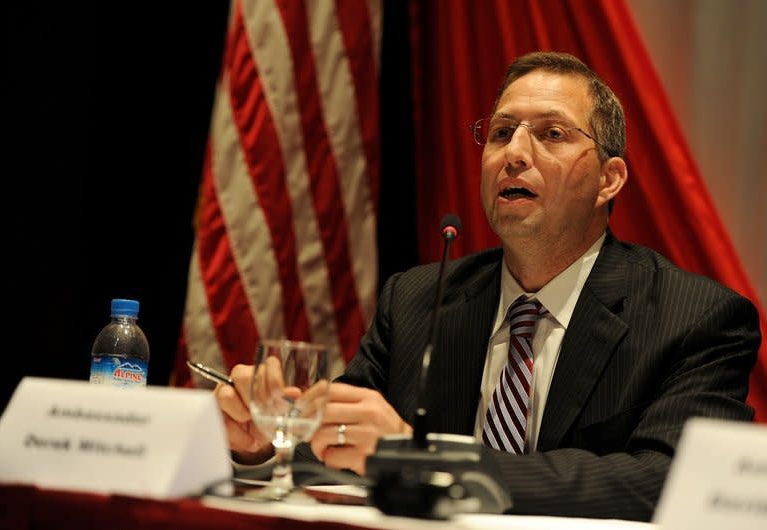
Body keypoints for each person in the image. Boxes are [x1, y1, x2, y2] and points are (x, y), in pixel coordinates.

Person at [213, 51, 760, 521]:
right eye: (501, 133)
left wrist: (428, 460)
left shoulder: (696, 318)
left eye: (551, 134)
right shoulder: (417, 300)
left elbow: (669, 480)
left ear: (609, 179)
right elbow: (341, 446)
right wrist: (267, 446)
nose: (513, 154)